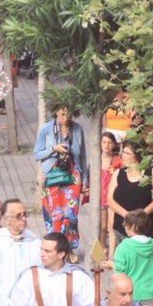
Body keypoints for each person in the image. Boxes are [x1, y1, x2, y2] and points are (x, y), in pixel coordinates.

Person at [106, 141, 153, 293]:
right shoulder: (118, 174)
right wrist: (127, 215)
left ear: (136, 157)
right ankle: (125, 291)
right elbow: (110, 200)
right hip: (123, 226)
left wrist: (141, 215)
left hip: (146, 226)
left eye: (127, 153)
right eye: (123, 152)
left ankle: (143, 290)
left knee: (143, 264)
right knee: (125, 263)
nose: (123, 156)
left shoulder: (150, 172)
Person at [33, 105, 89, 250]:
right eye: (62, 114)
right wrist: (53, 149)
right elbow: (36, 154)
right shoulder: (46, 129)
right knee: (55, 215)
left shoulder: (78, 129)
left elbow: (82, 156)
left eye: (68, 115)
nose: (65, 118)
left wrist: (84, 181)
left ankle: (69, 249)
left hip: (73, 174)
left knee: (70, 215)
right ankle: (55, 248)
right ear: (56, 112)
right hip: (52, 174)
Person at [104, 209, 153, 302]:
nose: (124, 227)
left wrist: (111, 265)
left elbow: (119, 273)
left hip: (130, 295)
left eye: (126, 225)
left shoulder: (123, 247)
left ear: (132, 227)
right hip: (150, 294)